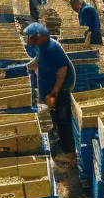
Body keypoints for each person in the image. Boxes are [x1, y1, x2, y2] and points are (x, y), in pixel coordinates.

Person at [23, 22, 76, 162]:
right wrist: (24, 67)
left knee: (63, 120)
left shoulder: (52, 48)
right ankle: (61, 149)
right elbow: (37, 61)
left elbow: (62, 71)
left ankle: (69, 153)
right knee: (55, 119)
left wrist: (54, 93)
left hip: (60, 90)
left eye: (31, 38)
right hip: (51, 90)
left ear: (39, 37)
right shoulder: (42, 47)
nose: (28, 41)